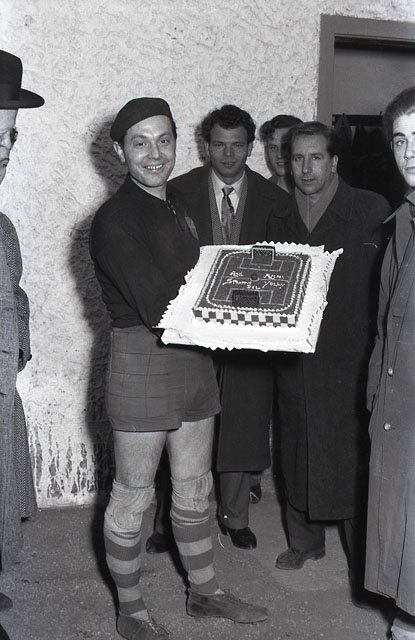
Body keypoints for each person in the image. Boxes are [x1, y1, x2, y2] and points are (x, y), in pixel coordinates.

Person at [89, 97, 268, 640]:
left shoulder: (177, 207)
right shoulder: (115, 219)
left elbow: (202, 280)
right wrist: (253, 309)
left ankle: (205, 593)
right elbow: (161, 306)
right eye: (139, 142)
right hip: (144, 359)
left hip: (193, 358)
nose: (154, 154)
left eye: (163, 140)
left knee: (193, 487)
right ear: (119, 150)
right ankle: (131, 610)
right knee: (133, 495)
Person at [268, 121, 391, 602]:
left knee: (350, 454)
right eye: (297, 158)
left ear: (334, 161)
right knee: (296, 443)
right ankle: (304, 542)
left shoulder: (370, 209)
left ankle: (362, 558)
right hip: (295, 355)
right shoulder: (278, 213)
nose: (306, 169)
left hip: (350, 354)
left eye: (316, 157)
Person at [163, 104, 292, 552]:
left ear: (251, 147)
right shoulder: (177, 192)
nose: (228, 154)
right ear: (206, 146)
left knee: (242, 422)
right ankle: (169, 520)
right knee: (181, 423)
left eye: (237, 145)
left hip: (248, 335)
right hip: (193, 332)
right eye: (219, 145)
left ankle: (236, 517)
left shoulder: (275, 199)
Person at [365, 86, 415, 639]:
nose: (410, 151)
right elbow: (385, 324)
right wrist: (377, 396)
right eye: (400, 140)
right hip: (401, 406)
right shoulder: (401, 221)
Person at [0, 50, 44, 640]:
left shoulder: (3, 225)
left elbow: (15, 292)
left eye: (11, 135)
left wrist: (19, 340)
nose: (6, 148)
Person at [260, 114, 302, 192]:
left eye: (285, 147)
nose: (279, 155)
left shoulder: (314, 191)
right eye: (273, 148)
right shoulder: (260, 191)